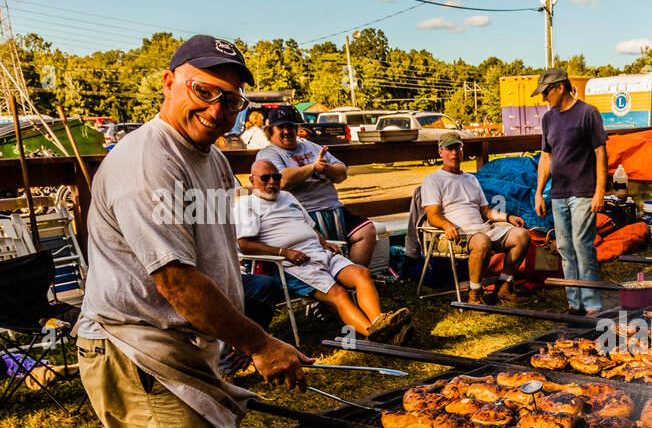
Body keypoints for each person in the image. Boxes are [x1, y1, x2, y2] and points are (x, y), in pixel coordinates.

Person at [76, 34, 310, 428]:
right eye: (203, 91)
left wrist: (229, 328)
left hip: (173, 340)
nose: (217, 109)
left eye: (231, 100)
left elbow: (209, 256)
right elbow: (175, 280)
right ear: (168, 82)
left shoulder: (207, 156)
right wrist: (261, 342)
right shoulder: (146, 162)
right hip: (138, 345)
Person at [235, 159, 411, 343]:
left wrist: (323, 241)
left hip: (318, 252)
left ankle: (379, 322)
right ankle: (377, 334)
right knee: (338, 294)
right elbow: (246, 245)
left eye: (276, 177)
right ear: (252, 179)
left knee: (362, 273)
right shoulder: (246, 205)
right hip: (290, 264)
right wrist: (285, 253)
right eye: (265, 178)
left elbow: (310, 225)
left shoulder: (287, 197)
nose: (272, 182)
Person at [255, 105, 377, 269]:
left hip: (334, 208)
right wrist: (313, 167)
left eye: (291, 126)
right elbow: (282, 181)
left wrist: (326, 168)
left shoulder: (311, 146)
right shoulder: (269, 154)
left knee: (366, 231)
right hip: (302, 215)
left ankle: (354, 278)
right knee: (320, 249)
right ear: (270, 131)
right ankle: (340, 281)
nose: (287, 131)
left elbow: (342, 173)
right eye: (281, 127)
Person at [421, 134, 531, 306]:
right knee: (482, 241)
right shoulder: (433, 180)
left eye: (458, 148)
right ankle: (475, 294)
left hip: (481, 230)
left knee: (522, 235)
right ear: (440, 152)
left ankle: (503, 284)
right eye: (449, 149)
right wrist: (447, 225)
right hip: (450, 236)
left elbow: (486, 211)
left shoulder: (470, 179)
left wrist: (507, 217)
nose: (454, 153)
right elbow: (432, 215)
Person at [533, 67, 607, 316]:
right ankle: (574, 303)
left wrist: (600, 192)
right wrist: (538, 192)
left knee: (582, 245)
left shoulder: (588, 113)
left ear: (560, 87)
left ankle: (593, 306)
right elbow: (546, 157)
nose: (544, 98)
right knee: (564, 247)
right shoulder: (548, 119)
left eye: (546, 92)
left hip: (583, 192)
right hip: (558, 193)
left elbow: (600, 154)